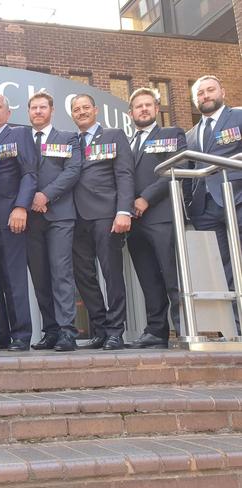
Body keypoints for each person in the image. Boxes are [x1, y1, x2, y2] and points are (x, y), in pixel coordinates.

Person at [71, 93, 134, 351]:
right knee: (83, 276)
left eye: (86, 107)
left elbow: (125, 174)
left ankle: (116, 332)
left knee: (111, 275)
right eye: (77, 109)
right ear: (72, 114)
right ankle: (100, 328)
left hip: (107, 215)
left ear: (95, 110)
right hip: (76, 218)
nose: (82, 112)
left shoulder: (114, 135)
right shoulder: (70, 140)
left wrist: (124, 211)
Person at [126, 87, 185, 349]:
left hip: (161, 218)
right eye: (139, 106)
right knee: (148, 280)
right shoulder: (127, 143)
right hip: (135, 223)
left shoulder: (171, 134)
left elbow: (178, 166)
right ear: (131, 113)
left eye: (148, 105)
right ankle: (156, 332)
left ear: (157, 109)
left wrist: (146, 197)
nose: (144, 109)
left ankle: (184, 328)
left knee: (173, 277)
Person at [26, 91, 82, 352]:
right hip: (31, 219)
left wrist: (45, 195)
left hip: (59, 215)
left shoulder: (68, 138)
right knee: (40, 277)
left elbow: (72, 171)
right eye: (33, 108)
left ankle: (67, 332)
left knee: (61, 274)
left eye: (42, 107)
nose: (38, 112)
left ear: (52, 110)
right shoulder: (24, 139)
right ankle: (50, 331)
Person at [186, 75, 242, 322]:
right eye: (200, 93)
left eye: (210, 90)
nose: (205, 96)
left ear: (222, 92)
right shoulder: (191, 134)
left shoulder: (238, 118)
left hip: (237, 199)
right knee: (221, 268)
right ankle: (235, 324)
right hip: (206, 209)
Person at [0, 93, 37, 351]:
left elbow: (29, 174)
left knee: (13, 279)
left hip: (10, 216)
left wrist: (20, 206)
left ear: (7, 113)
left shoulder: (19, 135)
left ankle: (21, 334)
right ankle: (1, 334)